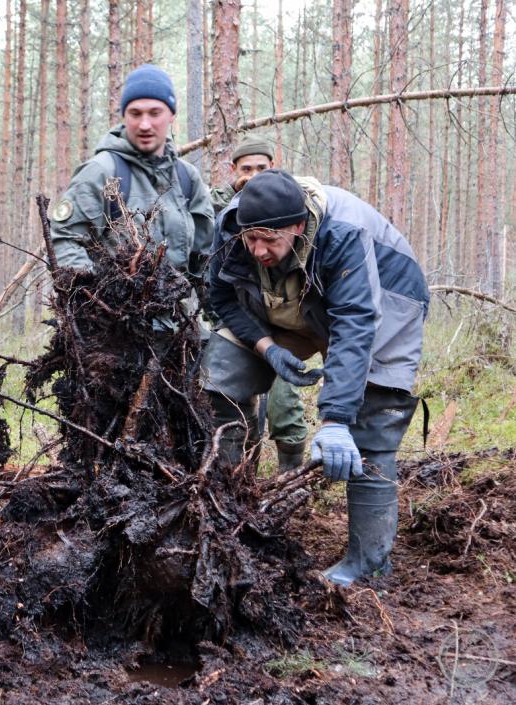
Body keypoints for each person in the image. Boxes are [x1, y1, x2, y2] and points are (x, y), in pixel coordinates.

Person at [203, 169, 429, 586]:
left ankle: (368, 563)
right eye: (251, 239)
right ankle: (222, 524)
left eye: (269, 240)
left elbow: (356, 323)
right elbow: (219, 296)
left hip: (383, 297)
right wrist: (267, 349)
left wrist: (336, 419)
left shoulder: (342, 234)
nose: (257, 250)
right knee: (220, 379)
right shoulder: (233, 227)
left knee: (371, 424)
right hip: (289, 300)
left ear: (298, 226)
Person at [48, 63, 214, 287]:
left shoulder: (187, 178)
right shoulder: (102, 172)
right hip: (113, 317)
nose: (145, 124)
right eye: (135, 114)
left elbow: (203, 261)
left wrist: (216, 318)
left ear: (172, 115)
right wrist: (96, 298)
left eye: (155, 113)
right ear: (124, 116)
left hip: (178, 317)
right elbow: (65, 241)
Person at [208, 135, 308, 471]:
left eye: (260, 169)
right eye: (246, 169)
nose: (252, 175)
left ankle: (290, 474)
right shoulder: (217, 205)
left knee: (284, 397)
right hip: (239, 312)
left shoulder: (288, 199)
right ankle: (239, 473)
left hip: (285, 316)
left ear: (273, 168)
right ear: (233, 170)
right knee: (231, 392)